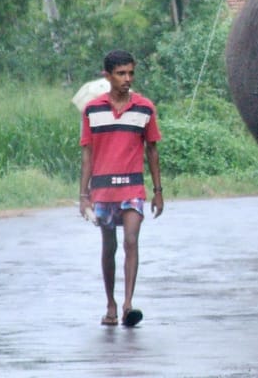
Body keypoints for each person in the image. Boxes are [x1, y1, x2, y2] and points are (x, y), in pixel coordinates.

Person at [79, 50, 163, 327]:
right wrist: (83, 196)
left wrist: (158, 190)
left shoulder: (144, 108)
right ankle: (111, 305)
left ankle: (128, 304)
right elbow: (87, 154)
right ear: (108, 76)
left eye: (130, 73)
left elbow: (152, 151)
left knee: (131, 241)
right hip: (102, 190)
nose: (127, 78)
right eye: (121, 73)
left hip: (133, 188)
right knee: (109, 246)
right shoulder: (92, 110)